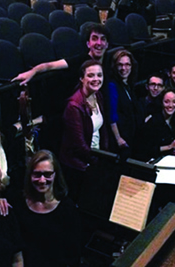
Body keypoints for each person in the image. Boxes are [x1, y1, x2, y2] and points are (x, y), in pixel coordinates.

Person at [14, 150, 82, 267]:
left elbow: (73, 256)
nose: (42, 180)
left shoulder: (67, 209)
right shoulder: (19, 204)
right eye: (37, 174)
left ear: (55, 175)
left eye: (47, 174)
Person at [60, 60, 108, 200]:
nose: (96, 79)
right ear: (82, 79)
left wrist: (105, 156)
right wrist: (97, 162)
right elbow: (78, 145)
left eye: (99, 75)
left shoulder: (97, 95)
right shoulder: (74, 106)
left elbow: (101, 130)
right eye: (91, 75)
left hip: (95, 158)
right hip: (79, 165)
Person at [12, 23, 110, 86]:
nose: (99, 43)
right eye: (94, 38)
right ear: (88, 44)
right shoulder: (80, 60)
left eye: (103, 39)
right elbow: (50, 65)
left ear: (107, 44)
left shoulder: (109, 62)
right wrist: (34, 71)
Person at [135, 88, 175, 161]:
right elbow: (146, 149)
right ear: (161, 102)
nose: (171, 105)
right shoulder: (152, 122)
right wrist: (169, 147)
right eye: (167, 102)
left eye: (174, 102)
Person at [106, 50, 143, 156]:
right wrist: (118, 138)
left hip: (131, 135)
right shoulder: (112, 86)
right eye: (120, 65)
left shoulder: (128, 84)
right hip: (121, 140)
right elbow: (112, 115)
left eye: (127, 65)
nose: (124, 69)